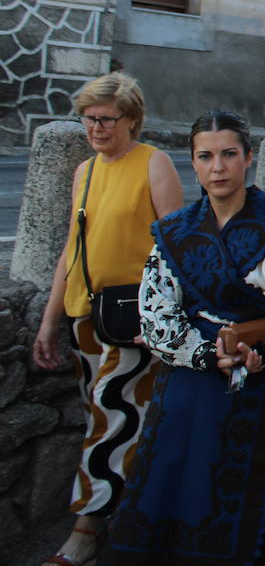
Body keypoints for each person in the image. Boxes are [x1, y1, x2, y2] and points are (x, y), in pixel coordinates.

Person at [102, 111, 265, 565]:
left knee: (264, 517)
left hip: (264, 394)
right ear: (193, 164)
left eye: (229, 155)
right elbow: (156, 313)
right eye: (206, 156)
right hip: (189, 394)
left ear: (249, 159)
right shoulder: (174, 235)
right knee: (176, 495)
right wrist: (202, 354)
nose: (218, 167)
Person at [31, 74, 183, 566]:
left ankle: (85, 533)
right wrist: (49, 320)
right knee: (114, 420)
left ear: (131, 120)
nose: (95, 127)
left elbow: (176, 250)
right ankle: (136, 517)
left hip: (131, 316)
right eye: (89, 118)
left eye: (105, 119)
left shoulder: (153, 163)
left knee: (109, 416)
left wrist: (163, 316)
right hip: (83, 314)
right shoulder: (86, 171)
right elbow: (70, 250)